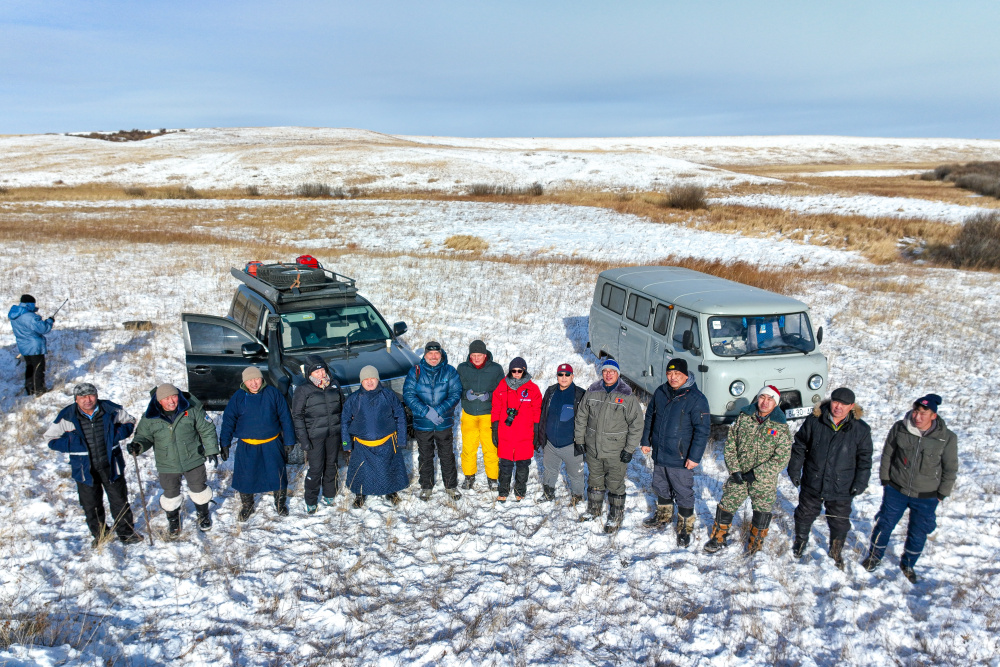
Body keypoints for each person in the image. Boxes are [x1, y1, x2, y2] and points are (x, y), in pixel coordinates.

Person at [862, 394, 958, 583]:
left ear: (933, 416)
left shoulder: (946, 438)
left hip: (926, 495)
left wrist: (941, 494)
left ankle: (908, 564)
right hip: (896, 490)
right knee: (884, 524)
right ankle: (874, 557)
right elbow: (888, 454)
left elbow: (950, 468)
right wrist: (885, 480)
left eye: (924, 413)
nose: (918, 417)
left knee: (918, 532)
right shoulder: (900, 428)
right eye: (916, 411)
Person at [44, 382, 143, 547]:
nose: (87, 400)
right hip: (84, 469)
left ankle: (126, 533)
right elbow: (51, 439)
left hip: (111, 464)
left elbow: (130, 422)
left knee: (119, 500)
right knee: (91, 504)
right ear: (76, 399)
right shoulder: (67, 415)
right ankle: (100, 535)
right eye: (82, 397)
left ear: (96, 396)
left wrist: (116, 434)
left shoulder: (110, 409)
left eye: (91, 395)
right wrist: (73, 443)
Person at [787, 387, 872, 568]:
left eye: (844, 404)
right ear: (830, 401)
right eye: (836, 402)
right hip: (813, 480)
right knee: (804, 515)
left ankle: (835, 551)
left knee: (839, 522)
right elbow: (800, 445)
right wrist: (794, 470)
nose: (838, 407)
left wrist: (860, 482)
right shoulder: (815, 421)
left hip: (842, 485)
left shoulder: (860, 429)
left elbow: (864, 459)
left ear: (851, 406)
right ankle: (800, 543)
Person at [705, 385, 793, 554]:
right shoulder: (744, 418)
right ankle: (718, 537)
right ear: (757, 398)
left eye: (770, 399)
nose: (765, 402)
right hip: (739, 475)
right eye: (762, 397)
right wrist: (734, 469)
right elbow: (730, 444)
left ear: (776, 403)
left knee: (762, 511)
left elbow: (781, 458)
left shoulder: (780, 426)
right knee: (727, 504)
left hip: (763, 480)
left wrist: (757, 473)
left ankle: (755, 545)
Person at [128, 383, 221, 536]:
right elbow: (144, 437)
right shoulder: (150, 416)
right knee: (170, 494)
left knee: (199, 489)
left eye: (174, 396)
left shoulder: (191, 409)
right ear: (159, 401)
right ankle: (173, 520)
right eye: (166, 398)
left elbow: (207, 429)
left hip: (193, 458)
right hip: (167, 463)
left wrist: (211, 449)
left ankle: (203, 515)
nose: (171, 401)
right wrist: (138, 446)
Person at [639, 358, 710, 547]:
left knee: (682, 491)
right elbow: (650, 417)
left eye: (677, 374)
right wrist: (646, 440)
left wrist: (695, 457)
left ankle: (685, 527)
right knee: (660, 485)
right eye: (670, 374)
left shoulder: (696, 398)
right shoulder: (661, 392)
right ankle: (663, 516)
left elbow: (702, 430)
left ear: (686, 375)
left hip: (681, 456)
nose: (673, 377)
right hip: (661, 452)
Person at [574, 359, 643, 534]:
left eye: (612, 371)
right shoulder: (592, 391)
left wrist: (629, 449)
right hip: (593, 448)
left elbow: (636, 424)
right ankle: (594, 510)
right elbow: (581, 416)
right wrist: (580, 440)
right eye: (605, 371)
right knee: (595, 480)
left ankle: (615, 515)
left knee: (615, 483)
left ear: (618, 374)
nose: (608, 374)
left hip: (616, 451)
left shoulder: (627, 395)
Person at [219, 367, 296, 521]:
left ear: (262, 379)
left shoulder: (273, 393)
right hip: (247, 445)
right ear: (244, 382)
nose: (253, 383)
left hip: (271, 443)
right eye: (249, 380)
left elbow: (285, 417)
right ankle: (247, 506)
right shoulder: (238, 397)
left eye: (256, 379)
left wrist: (289, 440)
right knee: (245, 476)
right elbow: (228, 420)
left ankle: (280, 504)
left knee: (277, 475)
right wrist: (225, 443)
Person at [341, 366, 409, 508]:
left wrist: (401, 439)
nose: (370, 382)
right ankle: (360, 495)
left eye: (373, 378)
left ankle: (391, 492)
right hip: (361, 445)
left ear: (378, 380)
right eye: (366, 379)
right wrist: (347, 443)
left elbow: (400, 416)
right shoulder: (353, 399)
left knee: (387, 470)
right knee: (362, 472)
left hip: (387, 442)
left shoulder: (388, 395)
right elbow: (345, 421)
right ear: (361, 381)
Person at [403, 341, 463, 501]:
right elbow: (408, 394)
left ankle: (451, 486)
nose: (434, 357)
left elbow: (455, 393)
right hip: (423, 423)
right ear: (425, 355)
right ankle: (426, 486)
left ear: (441, 354)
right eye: (430, 354)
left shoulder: (449, 371)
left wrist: (439, 410)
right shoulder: (415, 371)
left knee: (447, 455)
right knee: (425, 455)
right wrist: (426, 411)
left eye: (437, 354)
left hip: (443, 422)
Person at [291, 355, 345, 514]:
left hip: (334, 433)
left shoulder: (334, 384)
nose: (321, 374)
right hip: (315, 436)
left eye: (322, 370)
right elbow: (297, 416)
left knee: (332, 464)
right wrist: (303, 439)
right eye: (317, 372)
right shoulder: (303, 390)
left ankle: (329, 493)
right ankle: (311, 500)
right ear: (309, 374)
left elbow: (343, 407)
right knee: (316, 468)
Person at [491, 357, 542, 502]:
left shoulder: (533, 389)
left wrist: (537, 430)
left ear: (524, 371)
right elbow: (496, 407)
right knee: (505, 465)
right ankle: (503, 490)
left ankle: (520, 490)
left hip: (524, 434)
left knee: (522, 465)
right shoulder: (501, 386)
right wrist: (494, 427)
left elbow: (537, 410)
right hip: (506, 433)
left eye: (520, 371)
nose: (516, 373)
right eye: (513, 371)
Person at [457, 339, 505, 491]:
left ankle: (492, 478)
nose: (476, 358)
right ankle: (469, 476)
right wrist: (466, 394)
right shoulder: (462, 368)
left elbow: (503, 391)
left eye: (479, 355)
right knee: (468, 448)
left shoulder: (496, 369)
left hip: (488, 415)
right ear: (470, 355)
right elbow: (456, 389)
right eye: (473, 355)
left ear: (485, 355)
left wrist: (489, 396)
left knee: (490, 448)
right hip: (469, 414)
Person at [535, 363, 586, 503]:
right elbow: (543, 414)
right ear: (557, 376)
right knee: (549, 470)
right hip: (551, 443)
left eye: (567, 375)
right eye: (560, 374)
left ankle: (578, 498)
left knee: (575, 475)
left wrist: (582, 441)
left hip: (571, 444)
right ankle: (548, 494)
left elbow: (587, 420)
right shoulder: (551, 391)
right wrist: (541, 437)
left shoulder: (580, 394)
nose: (564, 378)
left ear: (572, 376)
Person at [8, 294, 55, 396]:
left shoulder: (15, 314)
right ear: (30, 304)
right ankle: (39, 389)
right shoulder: (30, 317)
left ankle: (29, 389)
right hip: (34, 346)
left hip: (23, 345)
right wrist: (49, 321)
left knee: (29, 366)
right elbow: (43, 329)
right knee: (38, 367)